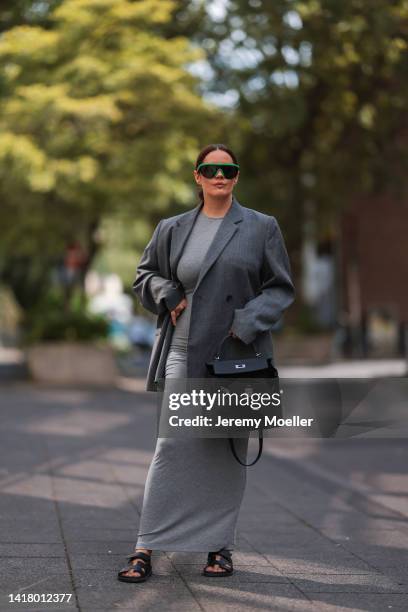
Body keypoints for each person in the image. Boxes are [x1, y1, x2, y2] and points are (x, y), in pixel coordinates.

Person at [117, 143, 295, 583]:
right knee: (171, 445)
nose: (220, 176)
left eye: (228, 170)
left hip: (236, 355)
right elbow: (145, 275)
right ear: (197, 176)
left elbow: (280, 288)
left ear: (236, 176)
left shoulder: (260, 227)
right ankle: (146, 545)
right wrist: (168, 293)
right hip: (182, 349)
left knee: (225, 447)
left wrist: (248, 321)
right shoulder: (173, 228)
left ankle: (220, 547)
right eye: (211, 170)